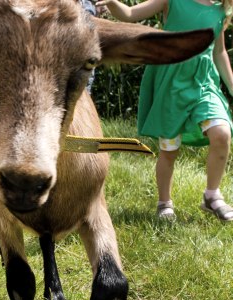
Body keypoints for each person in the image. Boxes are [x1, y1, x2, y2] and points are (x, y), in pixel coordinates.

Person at [97, 0, 233, 221]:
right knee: (169, 150)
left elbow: (219, 52)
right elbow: (131, 13)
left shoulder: (221, 9)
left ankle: (212, 195)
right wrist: (113, 3)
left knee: (222, 132)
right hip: (171, 84)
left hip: (203, 84)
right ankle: (164, 203)